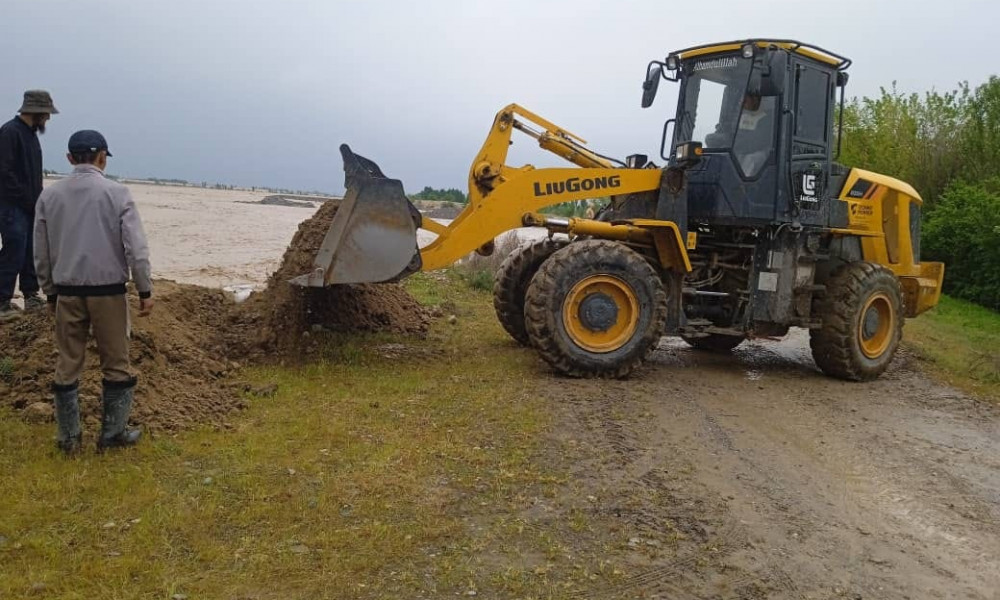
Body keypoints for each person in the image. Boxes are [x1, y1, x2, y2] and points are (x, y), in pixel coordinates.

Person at [34, 130, 154, 454]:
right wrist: (145, 290)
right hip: (109, 294)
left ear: (70, 159)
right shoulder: (118, 193)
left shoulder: (49, 196)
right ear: (102, 156)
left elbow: (41, 252)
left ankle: (69, 438)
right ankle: (112, 434)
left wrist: (49, 292)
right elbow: (137, 249)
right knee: (116, 362)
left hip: (67, 292)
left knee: (67, 362)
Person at [0, 90, 57, 321]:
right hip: (11, 206)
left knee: (30, 252)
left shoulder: (30, 135)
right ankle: (2, 301)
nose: (48, 119)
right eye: (46, 113)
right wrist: (26, 199)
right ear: (36, 111)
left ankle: (31, 295)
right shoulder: (10, 133)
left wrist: (38, 201)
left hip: (29, 205)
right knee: (14, 249)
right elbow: (5, 173)